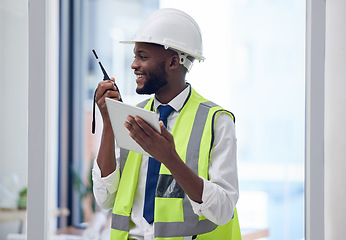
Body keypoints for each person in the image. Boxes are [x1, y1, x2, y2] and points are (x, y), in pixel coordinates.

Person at [92, 8, 241, 240]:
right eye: (134, 56)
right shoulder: (134, 116)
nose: (133, 65)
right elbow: (104, 198)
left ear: (173, 62)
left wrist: (170, 159)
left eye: (142, 56)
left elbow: (223, 210)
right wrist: (109, 122)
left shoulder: (217, 122)